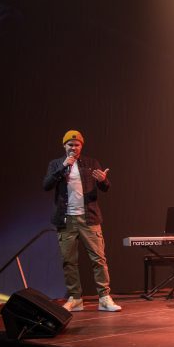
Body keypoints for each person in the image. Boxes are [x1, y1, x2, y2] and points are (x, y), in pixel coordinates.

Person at [43, 130, 121, 312]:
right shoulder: (56, 164)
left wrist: (103, 181)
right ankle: (75, 298)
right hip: (66, 219)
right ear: (64, 145)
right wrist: (63, 166)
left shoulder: (91, 163)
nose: (74, 148)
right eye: (70, 144)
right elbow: (46, 185)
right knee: (68, 261)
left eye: (77, 145)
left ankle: (104, 298)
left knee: (98, 259)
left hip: (89, 218)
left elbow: (105, 188)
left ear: (81, 146)